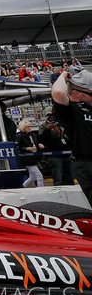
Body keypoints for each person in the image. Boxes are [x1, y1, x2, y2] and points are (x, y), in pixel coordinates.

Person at [51, 67, 92, 205]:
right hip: (87, 163)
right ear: (78, 93)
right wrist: (63, 75)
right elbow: (58, 92)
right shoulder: (71, 110)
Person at [39, 114, 73, 186]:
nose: (51, 117)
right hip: (55, 155)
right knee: (58, 178)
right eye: (49, 115)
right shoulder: (44, 126)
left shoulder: (62, 125)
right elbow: (43, 138)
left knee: (69, 178)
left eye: (52, 115)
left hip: (66, 154)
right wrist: (47, 129)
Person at [15, 120, 44, 188]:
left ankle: (22, 187)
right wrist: (27, 149)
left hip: (34, 157)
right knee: (39, 176)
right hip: (27, 158)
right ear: (23, 127)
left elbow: (35, 145)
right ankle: (42, 189)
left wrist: (39, 145)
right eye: (28, 127)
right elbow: (17, 148)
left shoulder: (33, 135)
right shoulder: (19, 136)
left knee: (33, 176)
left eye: (30, 126)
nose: (30, 128)